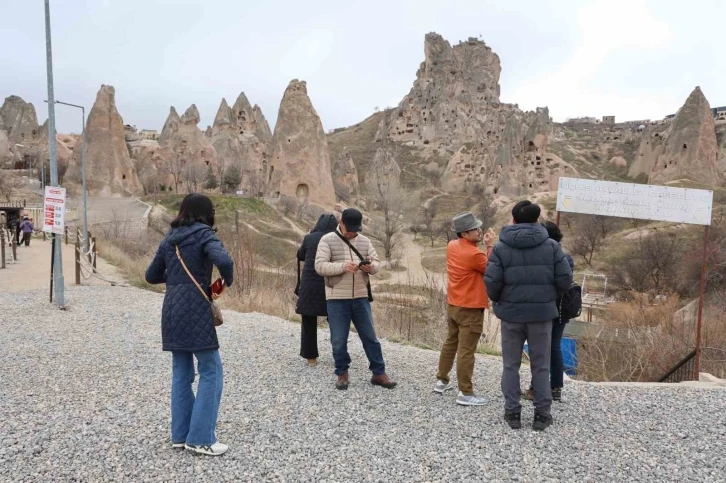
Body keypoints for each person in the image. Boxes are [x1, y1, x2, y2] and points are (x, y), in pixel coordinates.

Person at [145, 193, 234, 456]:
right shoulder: (204, 234)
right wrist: (226, 281)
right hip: (195, 307)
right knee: (211, 370)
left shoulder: (169, 238)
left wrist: (177, 279)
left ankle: (181, 435)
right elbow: (225, 261)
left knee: (181, 373)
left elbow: (150, 276)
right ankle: (201, 438)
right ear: (206, 213)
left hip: (171, 307)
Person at [484, 200, 572, 431]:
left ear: (513, 220)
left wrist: (500, 300)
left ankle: (512, 413)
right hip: (542, 315)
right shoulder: (552, 246)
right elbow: (565, 280)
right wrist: (547, 296)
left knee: (510, 365)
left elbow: (492, 282)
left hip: (511, 315)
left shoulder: (501, 247)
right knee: (541, 366)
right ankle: (542, 415)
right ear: (536, 220)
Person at [314, 208, 397, 391]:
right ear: (341, 222)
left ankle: (379, 373)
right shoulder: (327, 240)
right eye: (349, 228)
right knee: (338, 339)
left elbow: (376, 263)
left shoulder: (365, 241)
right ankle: (342, 373)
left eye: (355, 229)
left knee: (370, 338)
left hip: (360, 297)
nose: (352, 232)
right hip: (337, 298)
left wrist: (370, 268)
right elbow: (319, 266)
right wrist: (343, 266)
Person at [434, 211, 495, 406]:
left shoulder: (452, 245)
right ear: (464, 233)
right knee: (466, 351)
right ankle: (466, 393)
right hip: (470, 307)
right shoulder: (474, 254)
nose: (479, 231)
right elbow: (492, 269)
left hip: (454, 303)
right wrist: (490, 245)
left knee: (450, 343)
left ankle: (441, 381)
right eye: (475, 229)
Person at [522, 221, 575, 403]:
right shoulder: (566, 257)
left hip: (545, 309)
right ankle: (555, 388)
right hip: (562, 310)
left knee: (540, 349)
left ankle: (536, 388)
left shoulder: (546, 255)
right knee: (554, 347)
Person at [295, 213, 338, 366]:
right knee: (336, 321)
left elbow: (300, 255)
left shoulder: (310, 238)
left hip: (309, 286)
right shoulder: (337, 238)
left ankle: (310, 358)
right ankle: (338, 356)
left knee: (308, 322)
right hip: (331, 285)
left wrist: (306, 237)